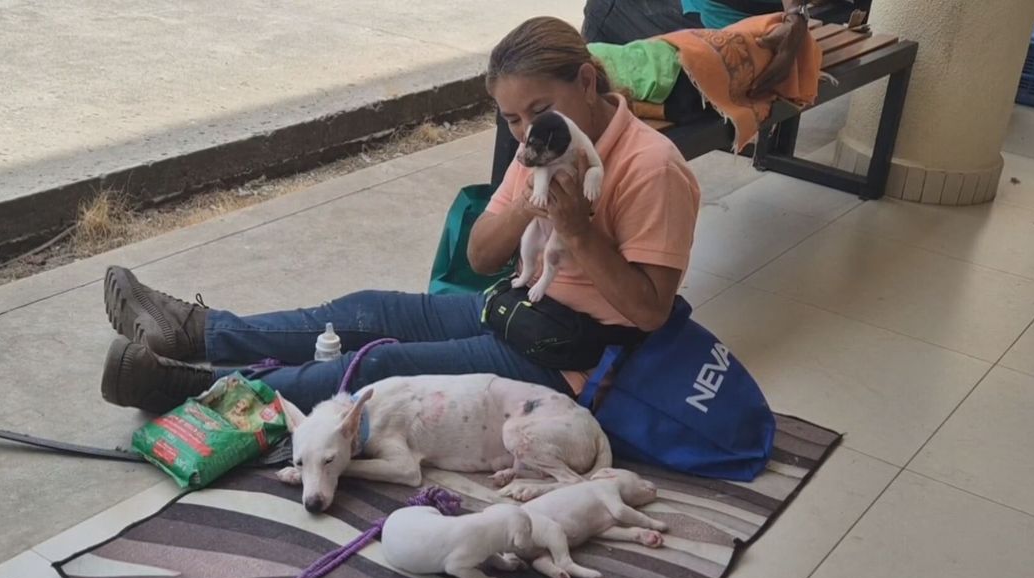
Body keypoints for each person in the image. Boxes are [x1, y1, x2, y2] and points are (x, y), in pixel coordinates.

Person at [98, 16, 700, 415]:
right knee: (366, 312)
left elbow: (650, 312)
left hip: (574, 358)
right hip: (519, 309)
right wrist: (528, 201)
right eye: (510, 120)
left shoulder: (653, 167)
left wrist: (578, 232)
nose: (522, 133)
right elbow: (482, 257)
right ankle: (202, 332)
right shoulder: (541, 146)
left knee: (380, 366)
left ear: (589, 81)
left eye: (535, 111)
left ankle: (200, 393)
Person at [491, 0, 811, 189]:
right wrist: (798, 16)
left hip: (724, 27)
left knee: (605, 8)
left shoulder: (658, 167)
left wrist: (796, 16)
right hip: (755, 30)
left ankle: (590, 124)